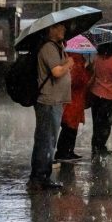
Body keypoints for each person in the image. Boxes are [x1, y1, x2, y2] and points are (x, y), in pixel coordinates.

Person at [29, 22, 73, 190]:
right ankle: (41, 177)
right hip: (48, 101)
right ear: (51, 29)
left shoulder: (56, 47)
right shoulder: (48, 48)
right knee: (47, 140)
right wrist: (68, 63)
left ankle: (39, 175)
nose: (64, 30)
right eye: (61, 27)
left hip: (54, 101)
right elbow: (56, 72)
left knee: (46, 139)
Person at [87, 41, 112, 159]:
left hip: (95, 94)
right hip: (108, 97)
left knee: (96, 122)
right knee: (106, 124)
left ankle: (95, 145)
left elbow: (94, 71)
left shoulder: (97, 58)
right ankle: (101, 146)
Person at [54, 52, 90, 162]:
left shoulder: (72, 59)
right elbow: (77, 80)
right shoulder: (75, 61)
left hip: (74, 100)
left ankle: (68, 151)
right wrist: (87, 74)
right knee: (69, 127)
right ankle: (63, 152)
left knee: (71, 127)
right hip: (72, 101)